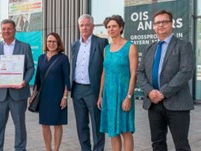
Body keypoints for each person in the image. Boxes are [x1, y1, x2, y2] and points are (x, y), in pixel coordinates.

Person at [137, 10, 195, 151]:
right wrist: (150, 92)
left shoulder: (183, 45)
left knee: (181, 145)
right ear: (153, 26)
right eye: (157, 22)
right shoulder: (149, 49)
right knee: (157, 144)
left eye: (164, 22)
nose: (161, 25)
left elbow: (186, 72)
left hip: (177, 104)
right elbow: (140, 72)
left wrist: (162, 93)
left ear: (171, 24)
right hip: (153, 104)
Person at [0, 19, 34, 151]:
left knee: (20, 125)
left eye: (9, 28)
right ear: (0, 31)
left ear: (15, 30)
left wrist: (25, 81)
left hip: (18, 93)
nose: (6, 31)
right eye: (3, 29)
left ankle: (20, 149)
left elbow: (30, 68)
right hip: (0, 94)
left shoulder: (25, 46)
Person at [97, 15, 138, 151]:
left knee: (125, 130)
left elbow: (133, 74)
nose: (111, 29)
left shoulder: (130, 47)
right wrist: (100, 95)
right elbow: (104, 72)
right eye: (108, 27)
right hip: (109, 95)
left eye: (114, 26)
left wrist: (129, 97)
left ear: (121, 27)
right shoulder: (106, 49)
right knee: (112, 131)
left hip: (123, 94)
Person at [71, 14, 108, 151]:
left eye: (87, 25)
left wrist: (101, 93)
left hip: (93, 90)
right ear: (78, 27)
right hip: (77, 90)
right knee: (81, 125)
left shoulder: (101, 43)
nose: (84, 27)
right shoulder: (74, 45)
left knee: (96, 124)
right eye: (82, 25)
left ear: (92, 26)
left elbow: (105, 67)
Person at [32, 32, 70, 151]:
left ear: (58, 43)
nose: (51, 44)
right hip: (44, 96)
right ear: (46, 43)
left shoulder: (63, 58)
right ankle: (48, 149)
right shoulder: (41, 58)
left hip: (57, 96)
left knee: (57, 124)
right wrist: (33, 95)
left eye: (54, 41)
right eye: (49, 41)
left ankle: (56, 149)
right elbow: (37, 78)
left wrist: (65, 97)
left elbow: (66, 79)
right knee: (44, 124)